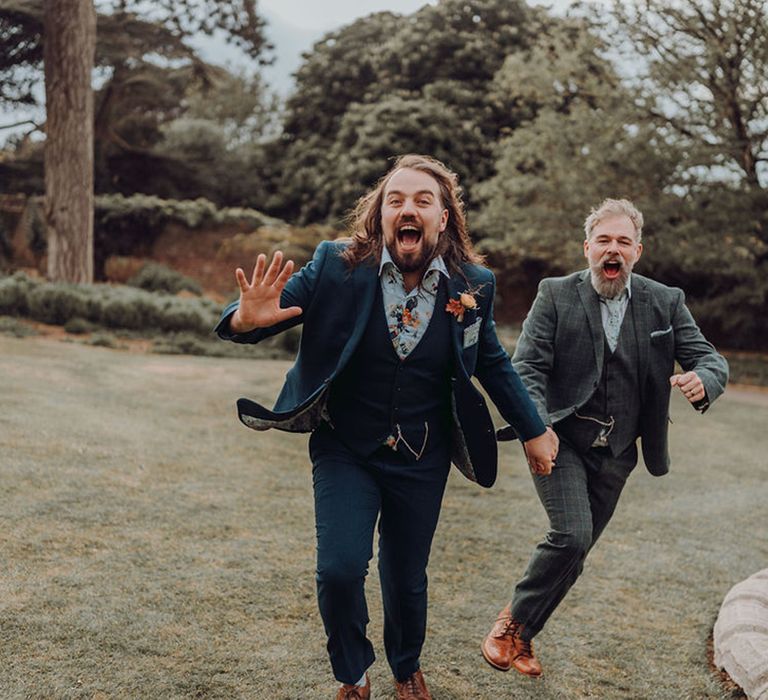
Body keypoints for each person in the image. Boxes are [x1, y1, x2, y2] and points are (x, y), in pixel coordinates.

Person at [216, 154, 559, 700]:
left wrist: (534, 428)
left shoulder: (474, 284)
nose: (408, 208)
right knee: (340, 570)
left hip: (422, 455)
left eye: (424, 200)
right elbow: (269, 312)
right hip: (347, 446)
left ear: (444, 218)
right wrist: (243, 318)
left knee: (406, 579)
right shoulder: (335, 264)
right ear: (379, 216)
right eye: (396, 200)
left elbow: (490, 359)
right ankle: (353, 675)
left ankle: (406, 668)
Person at [481, 197, 729, 678]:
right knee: (571, 535)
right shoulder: (555, 293)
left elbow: (711, 359)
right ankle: (509, 624)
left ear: (638, 250)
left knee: (578, 550)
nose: (611, 250)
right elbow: (527, 366)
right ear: (587, 248)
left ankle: (525, 639)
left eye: (622, 242)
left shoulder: (666, 302)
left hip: (619, 454)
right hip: (561, 440)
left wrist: (704, 379)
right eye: (603, 241)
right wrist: (538, 428)